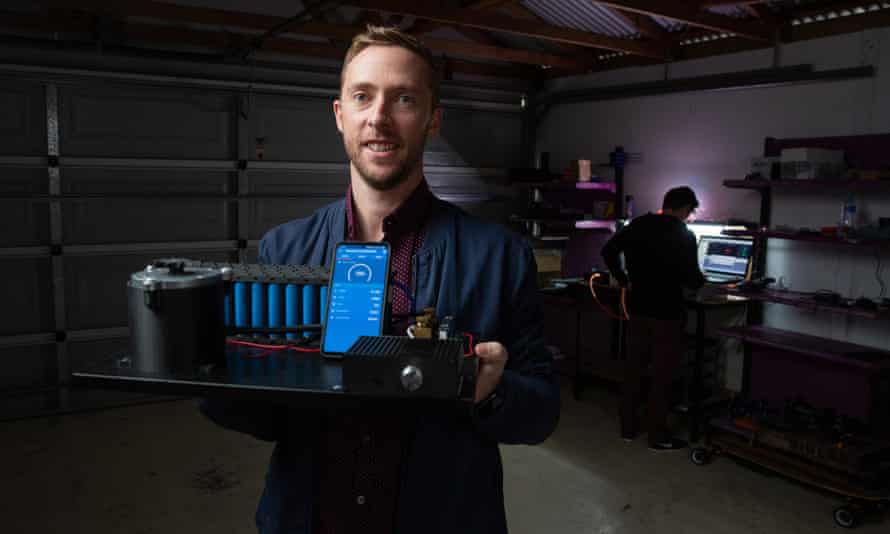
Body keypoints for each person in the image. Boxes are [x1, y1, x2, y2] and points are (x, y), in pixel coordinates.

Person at [200, 26, 560, 534]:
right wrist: (210, 375)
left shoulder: (499, 257)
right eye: (363, 96)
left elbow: (542, 412)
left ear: (433, 120)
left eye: (405, 99)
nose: (380, 118)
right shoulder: (284, 250)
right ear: (340, 114)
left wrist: (494, 392)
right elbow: (270, 420)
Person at [601, 186, 704, 451]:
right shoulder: (683, 235)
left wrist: (624, 280)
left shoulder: (638, 224)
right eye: (690, 212)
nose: (689, 217)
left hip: (638, 308)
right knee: (662, 374)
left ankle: (628, 428)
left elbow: (608, 251)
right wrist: (716, 285)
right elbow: (693, 279)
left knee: (634, 368)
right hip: (668, 313)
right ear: (684, 208)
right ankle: (657, 436)